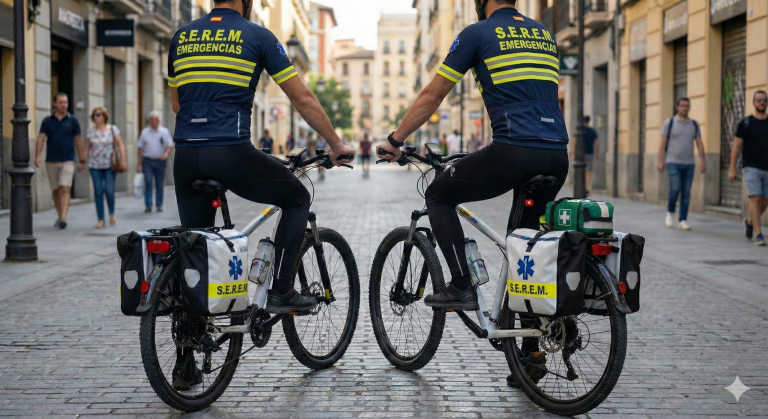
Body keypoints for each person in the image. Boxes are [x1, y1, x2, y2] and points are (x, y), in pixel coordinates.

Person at [375, 0, 568, 388]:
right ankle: (530, 356)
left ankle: (461, 284)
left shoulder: (477, 33)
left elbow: (433, 94)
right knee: (524, 248)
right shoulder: (543, 34)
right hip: (556, 154)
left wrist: (396, 140)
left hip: (513, 150)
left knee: (439, 195)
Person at [168, 0, 354, 317]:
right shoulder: (257, 35)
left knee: (196, 244)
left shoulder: (182, 36)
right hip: (230, 151)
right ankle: (282, 290)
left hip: (185, 155)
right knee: (297, 198)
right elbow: (302, 97)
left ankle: (191, 337)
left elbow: (176, 105)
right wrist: (335, 144)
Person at [35, 93, 85, 229]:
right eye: (61, 102)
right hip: (51, 160)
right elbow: (41, 138)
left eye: (65, 102)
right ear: (54, 104)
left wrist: (82, 159)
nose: (64, 105)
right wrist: (37, 156)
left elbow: (79, 140)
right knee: (56, 190)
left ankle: (63, 217)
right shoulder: (47, 121)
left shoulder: (73, 121)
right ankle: (59, 214)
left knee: (65, 187)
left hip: (68, 160)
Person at [658, 98, 705, 231]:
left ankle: (683, 220)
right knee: (675, 188)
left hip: (689, 164)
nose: (685, 108)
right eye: (682, 106)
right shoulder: (670, 123)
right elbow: (662, 143)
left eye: (687, 106)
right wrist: (660, 161)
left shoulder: (694, 125)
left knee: (686, 192)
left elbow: (699, 143)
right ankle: (670, 212)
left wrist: (702, 161)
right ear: (677, 107)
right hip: (673, 162)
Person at [730, 90, 768, 246]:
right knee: (755, 197)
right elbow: (736, 147)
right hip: (751, 166)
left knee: (765, 201)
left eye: (764, 100)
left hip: (767, 167)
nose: (761, 102)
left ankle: (750, 221)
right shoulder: (745, 123)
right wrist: (732, 168)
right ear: (753, 102)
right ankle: (758, 234)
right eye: (758, 99)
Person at [84, 107, 126, 228]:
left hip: (110, 164)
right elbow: (87, 148)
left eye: (98, 115)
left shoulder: (112, 129)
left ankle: (111, 212)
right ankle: (100, 219)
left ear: (104, 116)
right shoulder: (91, 131)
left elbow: (120, 145)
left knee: (109, 190)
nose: (95, 117)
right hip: (94, 165)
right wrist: (82, 161)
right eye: (94, 115)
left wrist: (123, 160)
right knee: (98, 191)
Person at [137, 111, 174, 213]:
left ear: (159, 121)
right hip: (147, 161)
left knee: (159, 183)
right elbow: (140, 148)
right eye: (152, 119)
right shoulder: (144, 132)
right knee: (148, 182)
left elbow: (170, 145)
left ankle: (159, 204)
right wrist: (139, 164)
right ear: (149, 121)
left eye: (156, 119)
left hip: (160, 161)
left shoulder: (164, 132)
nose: (154, 121)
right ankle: (148, 205)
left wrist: (165, 154)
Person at [572, 116, 599, 194]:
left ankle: (581, 186)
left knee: (580, 171)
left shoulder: (579, 130)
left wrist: (573, 153)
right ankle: (586, 187)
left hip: (580, 154)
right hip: (590, 153)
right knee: (588, 171)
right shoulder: (592, 131)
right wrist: (597, 153)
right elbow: (596, 143)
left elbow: (574, 142)